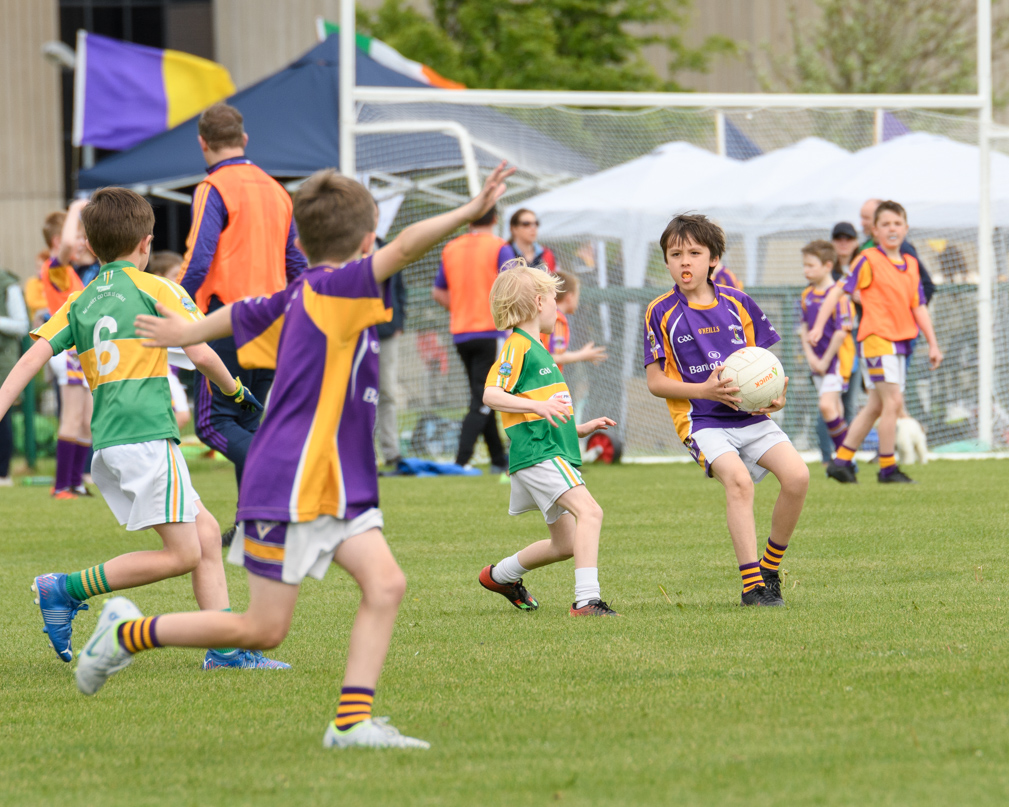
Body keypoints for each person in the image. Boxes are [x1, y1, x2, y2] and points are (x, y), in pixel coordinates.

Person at [78, 163, 517, 749]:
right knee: (263, 629)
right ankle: (127, 633)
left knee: (382, 586)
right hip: (293, 479)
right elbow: (411, 245)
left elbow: (239, 314)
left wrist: (185, 333)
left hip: (331, 479)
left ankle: (351, 724)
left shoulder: (300, 291)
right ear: (368, 243)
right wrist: (470, 210)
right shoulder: (341, 286)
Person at [0, 188, 286, 670]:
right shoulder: (158, 288)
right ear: (147, 244)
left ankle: (225, 650)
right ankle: (64, 588)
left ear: (90, 246)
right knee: (184, 555)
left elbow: (32, 357)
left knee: (207, 533)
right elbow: (200, 352)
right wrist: (236, 391)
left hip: (111, 441)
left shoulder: (81, 298)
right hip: (148, 436)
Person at [643, 214, 809, 607]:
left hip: (750, 417)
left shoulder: (738, 303)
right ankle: (752, 586)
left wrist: (775, 396)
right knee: (739, 482)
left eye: (695, 253)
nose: (685, 262)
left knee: (798, 478)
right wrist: (704, 390)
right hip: (700, 421)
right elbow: (655, 383)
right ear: (666, 261)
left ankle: (770, 569)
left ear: (714, 258)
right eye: (675, 253)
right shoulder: (660, 310)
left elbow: (763, 366)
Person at [178, 103, 306, 501]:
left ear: (203, 144)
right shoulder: (276, 189)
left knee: (212, 423)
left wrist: (171, 303)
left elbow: (199, 259)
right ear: (244, 139)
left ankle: (282, 472)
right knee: (247, 421)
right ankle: (253, 525)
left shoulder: (213, 188)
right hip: (273, 321)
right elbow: (297, 263)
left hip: (227, 318)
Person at [478, 260, 617, 616]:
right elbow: (492, 395)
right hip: (540, 453)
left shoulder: (537, 349)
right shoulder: (518, 346)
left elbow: (538, 406)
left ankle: (500, 575)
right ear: (539, 303)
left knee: (566, 543)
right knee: (591, 511)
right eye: (554, 300)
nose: (558, 307)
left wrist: (580, 428)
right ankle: (587, 600)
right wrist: (540, 407)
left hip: (547, 449)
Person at [810, 201, 943, 484]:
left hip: (900, 343)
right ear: (874, 230)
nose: (892, 229)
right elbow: (838, 291)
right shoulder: (868, 258)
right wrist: (819, 325)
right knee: (893, 402)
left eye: (897, 223)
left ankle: (841, 461)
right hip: (876, 341)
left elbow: (918, 305)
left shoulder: (910, 264)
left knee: (876, 406)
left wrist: (933, 343)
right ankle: (887, 469)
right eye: (885, 224)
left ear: (906, 228)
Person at [431, 206, 509, 471]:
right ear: (496, 219)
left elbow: (438, 292)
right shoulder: (499, 247)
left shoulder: (451, 248)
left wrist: (462, 308)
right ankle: (461, 461)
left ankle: (498, 459)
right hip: (491, 330)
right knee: (484, 399)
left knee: (481, 393)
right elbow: (512, 286)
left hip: (461, 332)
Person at [41, 205, 92, 498]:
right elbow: (71, 244)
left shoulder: (70, 272)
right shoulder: (56, 268)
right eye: (77, 235)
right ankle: (61, 484)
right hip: (68, 351)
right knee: (72, 417)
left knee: (86, 419)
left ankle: (75, 482)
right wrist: (76, 207)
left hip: (80, 351)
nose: (81, 242)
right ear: (57, 241)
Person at [798, 241, 855, 461]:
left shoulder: (840, 296)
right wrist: (812, 358)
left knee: (826, 406)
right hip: (818, 364)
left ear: (827, 265)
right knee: (836, 410)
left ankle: (845, 459)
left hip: (837, 362)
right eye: (804, 265)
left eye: (811, 265)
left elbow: (841, 333)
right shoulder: (807, 295)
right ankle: (847, 461)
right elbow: (804, 329)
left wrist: (825, 361)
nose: (806, 270)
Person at [374, 209, 407, 469]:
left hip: (386, 332)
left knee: (386, 391)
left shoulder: (388, 249)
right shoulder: (345, 249)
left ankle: (391, 452)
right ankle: (360, 452)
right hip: (355, 332)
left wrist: (399, 323)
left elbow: (400, 289)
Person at [859, 198, 934, 303]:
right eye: (861, 217)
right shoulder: (866, 249)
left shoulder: (903, 249)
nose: (862, 223)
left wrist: (910, 312)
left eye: (866, 218)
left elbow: (926, 285)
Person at [147, 251, 191, 429]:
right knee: (182, 414)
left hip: (168, 371)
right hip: (161, 370)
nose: (180, 280)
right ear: (160, 277)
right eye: (176, 275)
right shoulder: (160, 305)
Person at [0, 266, 30, 486]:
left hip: (3, 361)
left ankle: (3, 474)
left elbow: (22, 325)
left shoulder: (8, 284)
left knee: (2, 418)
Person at [543, 271, 606, 370]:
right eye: (577, 296)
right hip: (546, 380)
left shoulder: (546, 315)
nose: (578, 301)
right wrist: (583, 355)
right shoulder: (558, 320)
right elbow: (554, 356)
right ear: (569, 297)